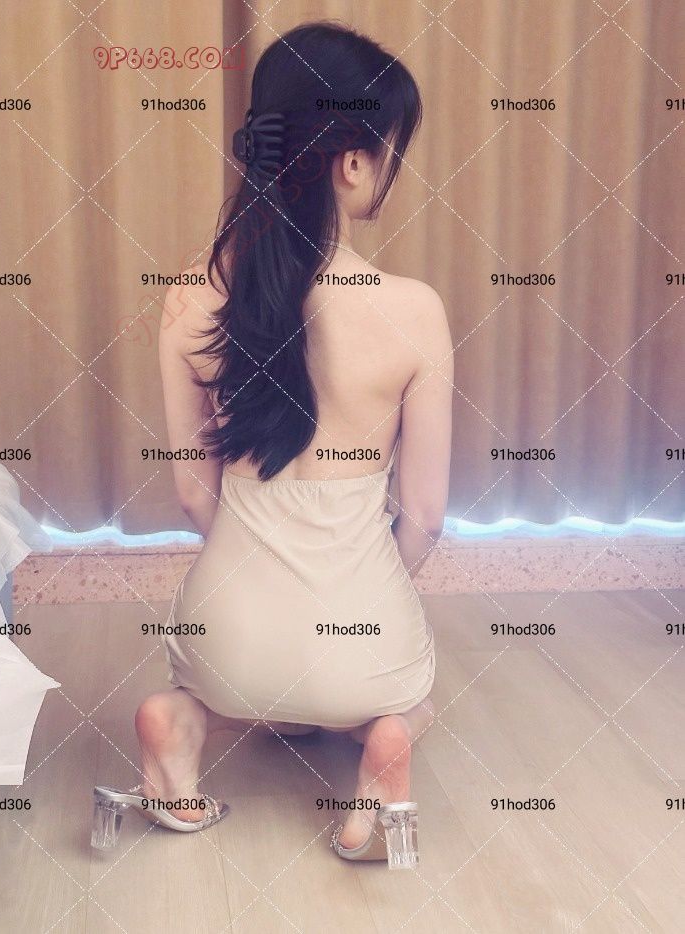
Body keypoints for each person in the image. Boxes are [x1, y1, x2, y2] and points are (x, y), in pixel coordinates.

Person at [93, 21, 453, 869]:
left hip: (228, 639)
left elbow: (194, 495)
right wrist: (360, 596)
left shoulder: (188, 300)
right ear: (354, 162)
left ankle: (181, 725)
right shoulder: (415, 310)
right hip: (363, 636)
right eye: (390, 150)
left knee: (217, 683)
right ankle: (382, 754)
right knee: (409, 697)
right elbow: (426, 516)